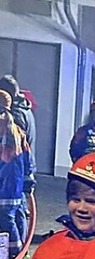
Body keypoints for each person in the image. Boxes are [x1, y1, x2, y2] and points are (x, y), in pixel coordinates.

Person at [0, 74, 37, 244]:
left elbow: (11, 156)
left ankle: (12, 254)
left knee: (7, 220)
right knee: (14, 216)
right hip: (15, 181)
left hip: (9, 183)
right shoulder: (24, 112)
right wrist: (29, 178)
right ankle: (14, 253)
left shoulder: (11, 125)